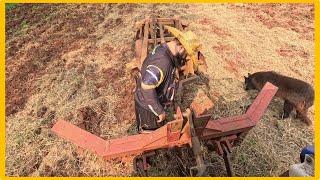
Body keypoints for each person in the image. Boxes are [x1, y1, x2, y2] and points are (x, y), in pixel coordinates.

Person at [134, 26, 202, 133]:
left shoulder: (163, 48)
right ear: (181, 48)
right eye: (186, 54)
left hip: (151, 101)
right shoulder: (162, 62)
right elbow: (146, 87)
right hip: (148, 107)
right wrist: (159, 110)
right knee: (151, 134)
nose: (185, 58)